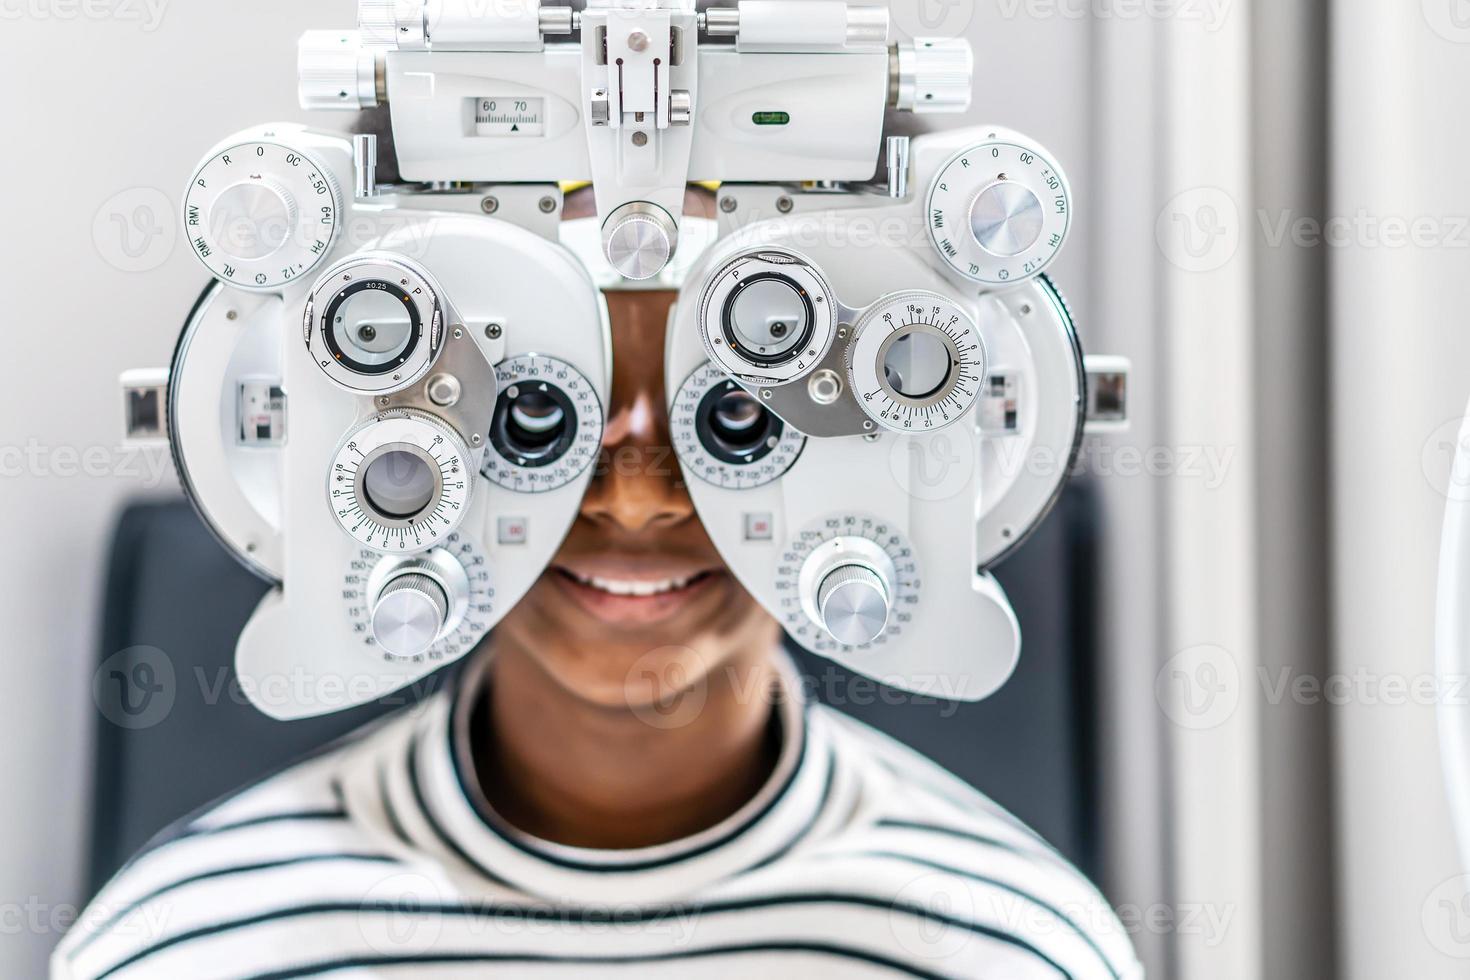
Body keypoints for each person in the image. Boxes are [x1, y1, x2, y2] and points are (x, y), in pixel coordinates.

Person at [53, 185, 1143, 980]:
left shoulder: (1012, 945)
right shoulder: (182, 943)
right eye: (540, 418)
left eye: (737, 417)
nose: (635, 499)